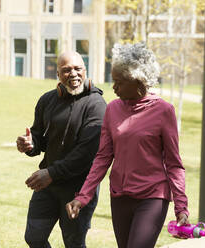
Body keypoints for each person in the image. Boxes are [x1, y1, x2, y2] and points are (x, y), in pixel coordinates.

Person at [66, 43, 190, 248]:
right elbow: (103, 157)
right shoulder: (113, 109)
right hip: (120, 196)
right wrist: (82, 197)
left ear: (138, 80)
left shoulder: (164, 111)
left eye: (119, 82)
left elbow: (174, 163)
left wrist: (181, 208)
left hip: (152, 196)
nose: (114, 87)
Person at [16, 51, 107, 248]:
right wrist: (30, 144)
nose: (73, 74)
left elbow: (86, 153)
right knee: (34, 237)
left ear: (85, 71)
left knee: (73, 243)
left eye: (77, 69)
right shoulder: (47, 100)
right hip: (48, 186)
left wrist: (51, 173)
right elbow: (39, 136)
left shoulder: (96, 105)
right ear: (58, 74)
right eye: (66, 70)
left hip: (78, 189)